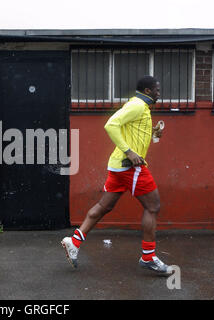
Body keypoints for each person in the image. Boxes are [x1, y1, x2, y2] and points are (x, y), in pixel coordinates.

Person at [61, 75, 172, 275]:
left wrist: (154, 134)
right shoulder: (138, 105)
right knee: (153, 206)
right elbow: (111, 124)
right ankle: (148, 257)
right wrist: (129, 151)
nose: (159, 93)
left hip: (118, 166)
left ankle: (74, 241)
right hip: (130, 166)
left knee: (105, 206)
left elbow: (135, 133)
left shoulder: (140, 107)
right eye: (156, 89)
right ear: (147, 91)